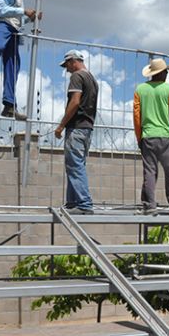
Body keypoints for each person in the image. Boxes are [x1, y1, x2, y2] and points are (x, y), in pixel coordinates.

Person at [134, 58, 169, 216]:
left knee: (149, 172)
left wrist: (139, 137)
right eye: (166, 72)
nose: (168, 74)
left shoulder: (140, 90)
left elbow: (137, 117)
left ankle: (149, 206)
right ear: (161, 73)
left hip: (148, 137)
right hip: (167, 137)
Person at [55, 50, 98, 215]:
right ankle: (73, 202)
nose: (66, 69)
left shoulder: (77, 76)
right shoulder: (92, 79)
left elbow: (75, 102)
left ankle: (84, 204)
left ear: (73, 61)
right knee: (75, 165)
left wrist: (61, 126)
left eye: (67, 65)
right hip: (87, 127)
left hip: (77, 127)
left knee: (75, 165)